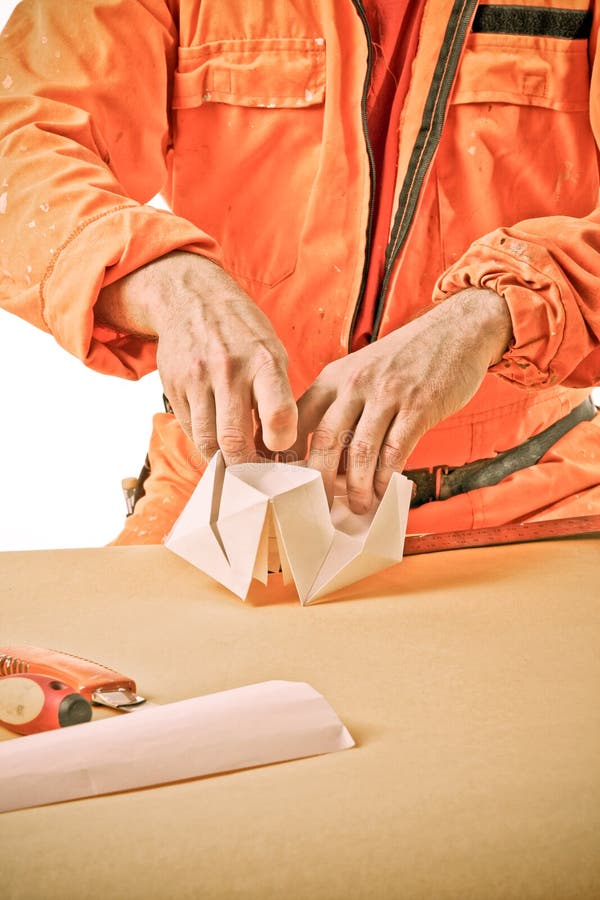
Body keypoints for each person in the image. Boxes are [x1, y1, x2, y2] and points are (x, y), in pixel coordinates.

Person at [1, 0, 599, 546]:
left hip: (532, 494)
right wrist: (166, 280)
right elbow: (19, 141)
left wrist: (496, 312)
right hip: (222, 496)